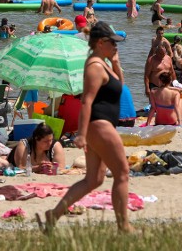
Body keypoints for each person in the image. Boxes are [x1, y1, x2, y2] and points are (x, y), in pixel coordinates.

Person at [39, 21, 132, 233]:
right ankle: (124, 227)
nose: (116, 47)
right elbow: (86, 100)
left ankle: (53, 215)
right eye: (113, 43)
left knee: (94, 179)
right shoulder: (94, 66)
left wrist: (115, 62)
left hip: (101, 125)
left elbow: (120, 88)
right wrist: (81, 134)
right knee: (122, 173)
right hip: (99, 125)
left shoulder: (103, 63)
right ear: (101, 43)